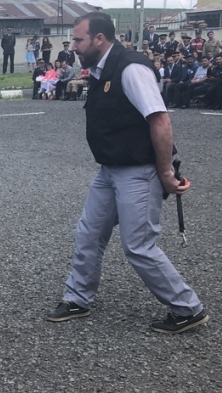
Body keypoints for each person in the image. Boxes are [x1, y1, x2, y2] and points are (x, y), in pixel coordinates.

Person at [47, 12, 209, 334]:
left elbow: (160, 120)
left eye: (78, 40)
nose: (73, 46)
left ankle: (187, 308)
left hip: (139, 172)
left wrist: (164, 171)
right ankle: (78, 298)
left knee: (138, 245)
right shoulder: (100, 69)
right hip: (110, 171)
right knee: (89, 234)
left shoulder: (131, 68)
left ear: (99, 39)